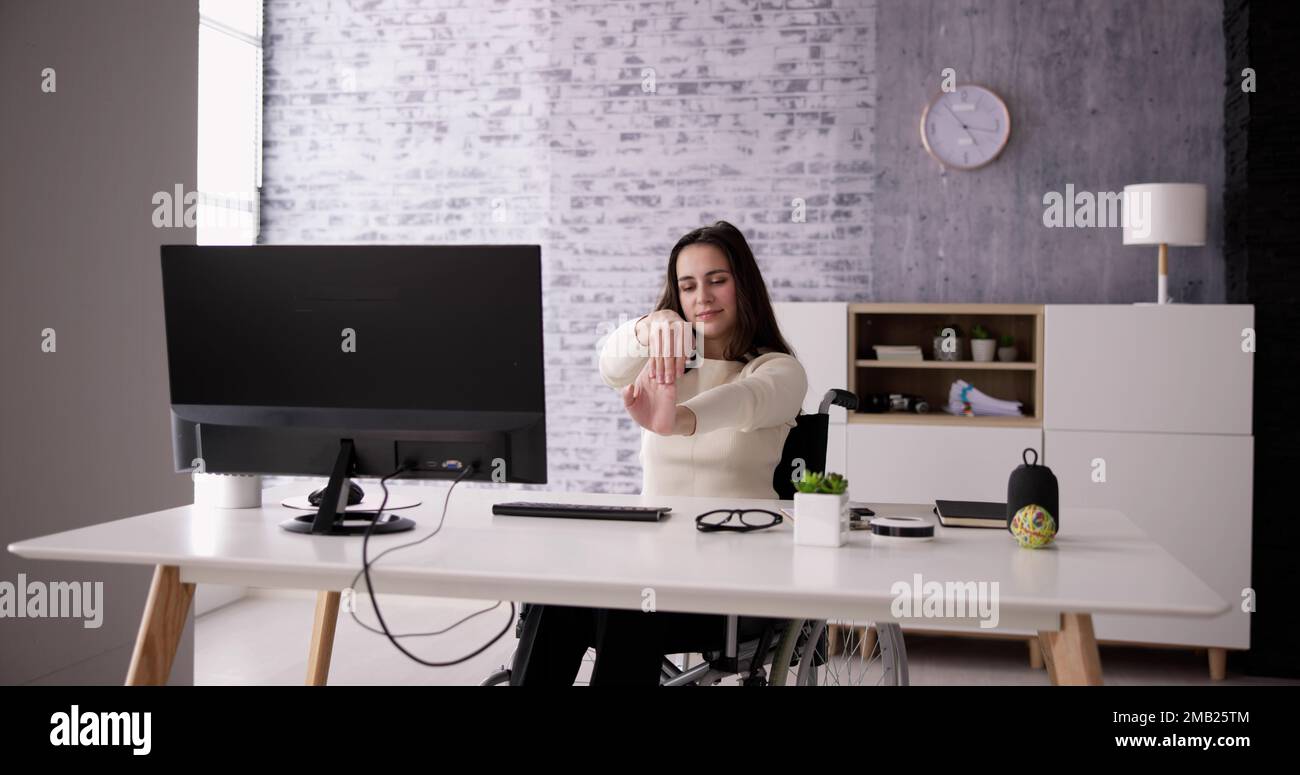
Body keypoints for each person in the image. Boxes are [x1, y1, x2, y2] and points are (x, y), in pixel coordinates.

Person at [516, 221, 808, 685]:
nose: (702, 298)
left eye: (718, 280)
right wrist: (650, 326)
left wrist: (680, 420)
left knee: (630, 602)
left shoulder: (779, 370)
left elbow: (744, 401)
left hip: (736, 583)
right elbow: (609, 365)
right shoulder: (668, 360)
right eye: (687, 286)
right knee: (561, 589)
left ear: (744, 285)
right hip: (655, 565)